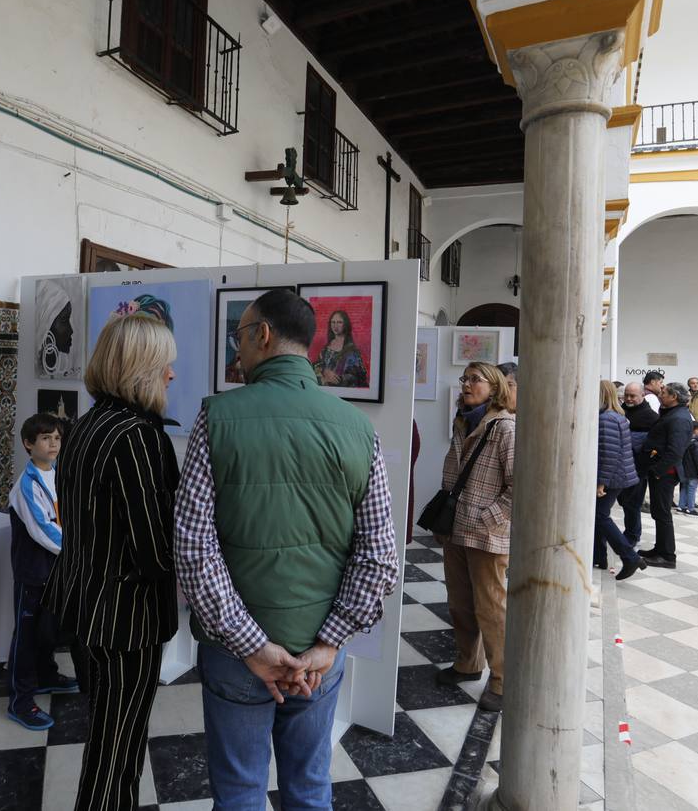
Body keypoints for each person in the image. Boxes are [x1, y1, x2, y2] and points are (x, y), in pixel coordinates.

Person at [175, 289, 397, 809]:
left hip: (236, 655)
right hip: (317, 655)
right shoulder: (358, 428)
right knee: (310, 787)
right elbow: (380, 553)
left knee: (239, 792)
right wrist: (329, 641)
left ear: (263, 335)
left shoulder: (218, 417)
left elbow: (192, 545)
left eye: (240, 336)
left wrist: (250, 643)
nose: (237, 349)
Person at [43, 313, 182, 811]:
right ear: (141, 368)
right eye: (164, 364)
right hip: (125, 620)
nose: (171, 374)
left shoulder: (84, 425)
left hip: (85, 607)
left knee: (108, 737)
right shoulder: (137, 436)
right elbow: (155, 550)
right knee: (117, 749)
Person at [435, 361, 516, 714]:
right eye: (464, 379)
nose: (466, 384)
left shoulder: (505, 428)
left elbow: (518, 485)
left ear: (494, 387)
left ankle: (502, 680)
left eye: (475, 379)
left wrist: (487, 518)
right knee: (460, 602)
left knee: (491, 608)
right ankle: (468, 663)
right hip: (456, 528)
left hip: (485, 534)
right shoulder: (463, 421)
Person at [6, 413, 79, 731]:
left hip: (55, 571)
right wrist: (80, 552)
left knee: (47, 629)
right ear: (28, 444)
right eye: (45, 438)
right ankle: (20, 701)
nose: (53, 444)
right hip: (33, 574)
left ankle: (46, 676)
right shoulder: (27, 485)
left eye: (57, 438)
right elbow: (44, 531)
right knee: (26, 637)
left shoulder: (59, 474)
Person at [638, 382, 693, 569]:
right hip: (661, 471)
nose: (660, 394)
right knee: (658, 512)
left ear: (674, 397)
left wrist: (657, 471)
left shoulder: (679, 418)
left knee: (662, 513)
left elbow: (675, 451)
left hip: (665, 473)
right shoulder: (672, 413)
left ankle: (667, 556)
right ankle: (660, 549)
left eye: (663, 392)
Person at [595, 380, 644, 580]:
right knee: (598, 515)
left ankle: (630, 556)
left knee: (600, 516)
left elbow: (609, 454)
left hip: (613, 477)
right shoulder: (616, 416)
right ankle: (599, 556)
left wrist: (601, 482)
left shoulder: (607, 419)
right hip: (618, 475)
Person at [618, 382, 659, 547]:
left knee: (632, 503)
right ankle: (630, 534)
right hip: (619, 466)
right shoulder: (620, 410)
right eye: (626, 395)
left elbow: (653, 446)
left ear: (642, 395)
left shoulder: (651, 417)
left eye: (632, 396)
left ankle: (633, 536)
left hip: (638, 469)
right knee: (624, 501)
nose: (628, 398)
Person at [313, 309, 370, 388]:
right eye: (333, 322)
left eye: (339, 322)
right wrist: (324, 371)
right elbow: (317, 365)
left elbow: (357, 377)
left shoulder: (352, 351)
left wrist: (335, 379)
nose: (335, 325)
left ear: (345, 324)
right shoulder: (326, 348)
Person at [677, 420, 698, 516]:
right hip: (693, 471)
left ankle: (681, 506)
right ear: (697, 430)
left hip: (684, 469)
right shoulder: (696, 444)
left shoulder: (684, 441)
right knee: (691, 489)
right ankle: (690, 508)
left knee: (684, 488)